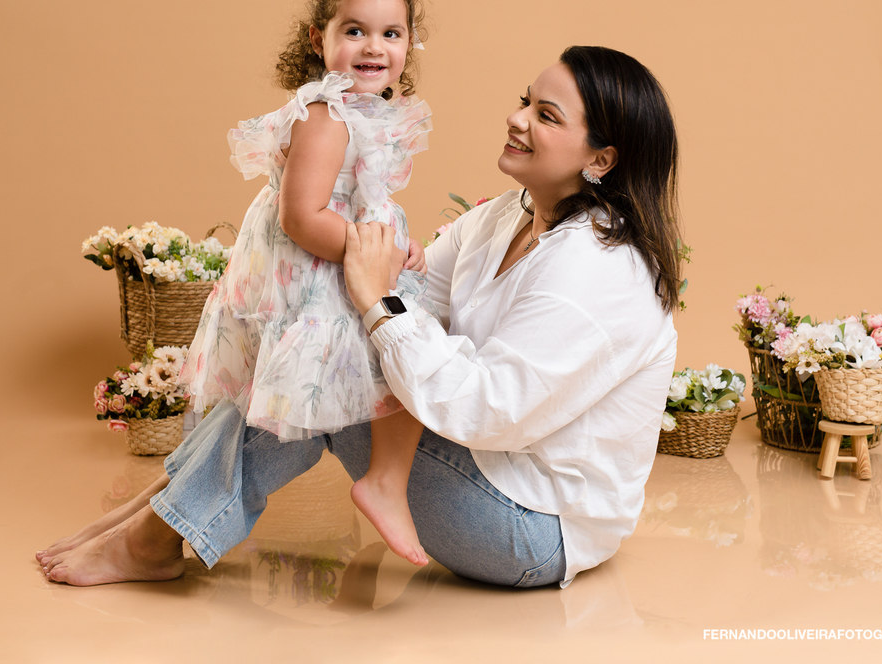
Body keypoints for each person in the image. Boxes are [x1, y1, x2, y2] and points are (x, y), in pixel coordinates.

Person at [38, 45, 681, 590]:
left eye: (545, 115)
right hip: (489, 475)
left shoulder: (598, 273)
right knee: (318, 332)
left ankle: (156, 533)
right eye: (524, 100)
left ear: (600, 161)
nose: (515, 119)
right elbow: (413, 284)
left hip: (532, 527)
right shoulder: (507, 216)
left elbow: (487, 410)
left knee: (323, 360)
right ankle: (161, 517)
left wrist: (375, 303)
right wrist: (349, 279)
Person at [175, 0, 436, 565]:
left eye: (390, 34)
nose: (374, 47)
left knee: (406, 353)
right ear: (319, 40)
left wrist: (394, 239)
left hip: (336, 257)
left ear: (409, 45)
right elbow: (302, 217)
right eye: (355, 31)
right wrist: (379, 253)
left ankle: (383, 482)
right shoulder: (325, 115)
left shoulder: (359, 111)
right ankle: (385, 483)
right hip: (318, 272)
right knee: (408, 351)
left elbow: (361, 197)